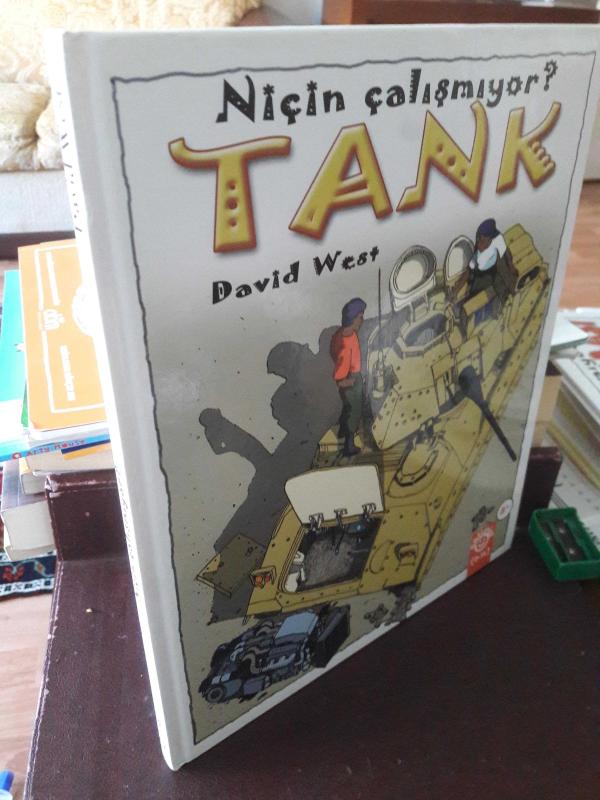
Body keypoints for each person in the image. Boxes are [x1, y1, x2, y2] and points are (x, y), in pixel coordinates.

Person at [330, 298, 366, 457]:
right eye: (360, 317)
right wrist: (350, 382)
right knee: (354, 412)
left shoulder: (344, 334)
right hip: (351, 381)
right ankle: (348, 446)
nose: (362, 320)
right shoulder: (345, 346)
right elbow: (339, 377)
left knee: (348, 409)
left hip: (353, 376)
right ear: (353, 318)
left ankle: (343, 432)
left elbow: (332, 350)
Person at [467, 218, 514, 296]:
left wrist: (511, 266)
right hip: (483, 275)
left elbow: (506, 253)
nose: (480, 241)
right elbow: (472, 268)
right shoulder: (479, 249)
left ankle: (510, 292)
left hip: (496, 271)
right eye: (480, 238)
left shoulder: (498, 239)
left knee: (502, 270)